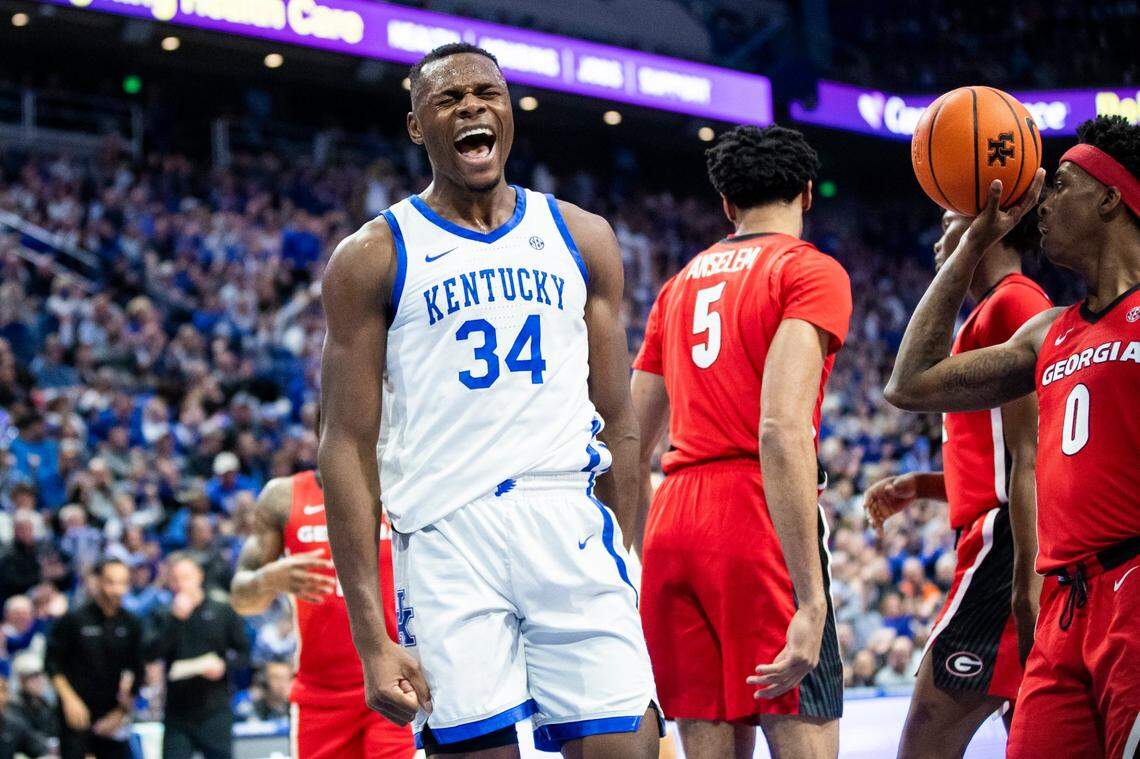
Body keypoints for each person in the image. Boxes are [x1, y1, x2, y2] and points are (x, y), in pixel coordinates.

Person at [319, 42, 660, 757]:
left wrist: (623, 553)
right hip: (448, 537)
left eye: (487, 93)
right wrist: (371, 635)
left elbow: (621, 418)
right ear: (417, 126)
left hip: (566, 519)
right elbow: (344, 444)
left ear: (509, 111)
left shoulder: (581, 236)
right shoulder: (373, 255)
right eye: (448, 98)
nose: (471, 106)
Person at [885, 115, 1139, 759]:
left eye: (1059, 185)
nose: (1041, 202)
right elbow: (910, 381)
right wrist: (972, 243)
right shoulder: (1050, 331)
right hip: (1064, 605)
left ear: (1109, 196)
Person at [632, 124, 851, 759]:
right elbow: (781, 430)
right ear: (808, 194)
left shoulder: (678, 286)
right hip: (756, 515)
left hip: (673, 516)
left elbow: (628, 440)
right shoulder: (807, 270)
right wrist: (809, 600)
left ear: (727, 204)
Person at [864, 210, 1051, 757]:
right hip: (997, 533)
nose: (937, 237)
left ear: (991, 225)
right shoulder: (993, 309)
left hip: (1006, 546)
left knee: (925, 736)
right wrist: (923, 486)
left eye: (949, 220)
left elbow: (1032, 458)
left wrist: (1026, 578)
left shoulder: (1017, 304)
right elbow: (1001, 461)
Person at [230, 467, 414, 758]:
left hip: (394, 680)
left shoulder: (398, 480)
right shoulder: (284, 496)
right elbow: (241, 599)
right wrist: (267, 578)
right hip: (320, 695)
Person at [150, 553, 250, 759]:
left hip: (215, 709)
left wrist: (223, 665)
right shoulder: (162, 614)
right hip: (177, 712)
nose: (180, 584)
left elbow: (245, 653)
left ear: (199, 577)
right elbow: (152, 652)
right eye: (175, 579)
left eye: (185, 577)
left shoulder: (222, 609)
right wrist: (176, 619)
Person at [45, 558, 144, 759]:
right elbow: (51, 663)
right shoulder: (74, 619)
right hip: (76, 713)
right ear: (97, 582)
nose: (117, 590)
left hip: (112, 716)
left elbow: (139, 671)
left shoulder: (132, 623)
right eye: (111, 582)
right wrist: (70, 700)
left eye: (123, 583)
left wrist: (121, 713)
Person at [0, 667, 50, 759]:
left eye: (3, 690)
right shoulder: (17, 708)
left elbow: (40, 748)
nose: (1, 697)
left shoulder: (12, 725)